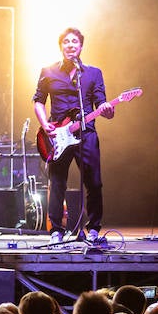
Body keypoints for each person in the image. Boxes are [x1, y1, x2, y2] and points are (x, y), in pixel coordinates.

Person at [33, 27, 114, 243]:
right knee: (57, 181)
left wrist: (108, 109)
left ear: (81, 46)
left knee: (94, 182)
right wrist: (44, 124)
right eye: (66, 42)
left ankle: (94, 228)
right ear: (61, 46)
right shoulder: (48, 71)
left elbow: (101, 102)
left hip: (86, 133)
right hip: (58, 134)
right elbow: (38, 100)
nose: (71, 45)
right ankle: (56, 230)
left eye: (75, 42)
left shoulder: (93, 73)